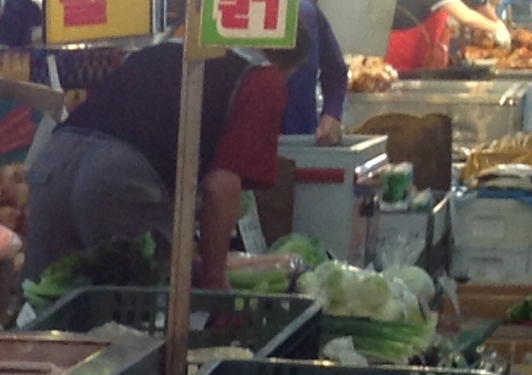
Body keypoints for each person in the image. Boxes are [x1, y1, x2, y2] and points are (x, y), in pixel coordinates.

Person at [24, 25, 312, 290]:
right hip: (120, 179)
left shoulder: (165, 49)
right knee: (138, 315)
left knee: (51, 304)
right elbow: (221, 188)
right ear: (284, 62)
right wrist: (216, 281)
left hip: (52, 163)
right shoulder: (262, 77)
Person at [284, 0, 349, 140]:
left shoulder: (306, 12)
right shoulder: (229, 20)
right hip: (239, 143)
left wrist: (332, 113)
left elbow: (336, 72)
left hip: (299, 141)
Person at [387, 0, 508, 70]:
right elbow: (466, 17)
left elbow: (480, 4)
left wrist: (497, 22)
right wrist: (496, 27)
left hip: (426, 56)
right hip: (400, 55)